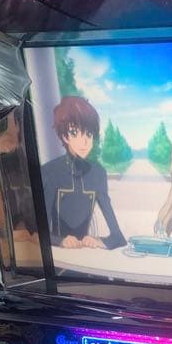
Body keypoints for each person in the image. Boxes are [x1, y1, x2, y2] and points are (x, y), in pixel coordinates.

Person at [40, 95, 125, 250]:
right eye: (74, 133)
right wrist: (60, 241)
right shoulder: (50, 171)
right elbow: (40, 232)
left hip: (85, 254)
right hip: (58, 254)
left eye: (89, 134)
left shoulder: (98, 173)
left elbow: (118, 237)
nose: (84, 142)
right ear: (64, 136)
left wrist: (99, 241)